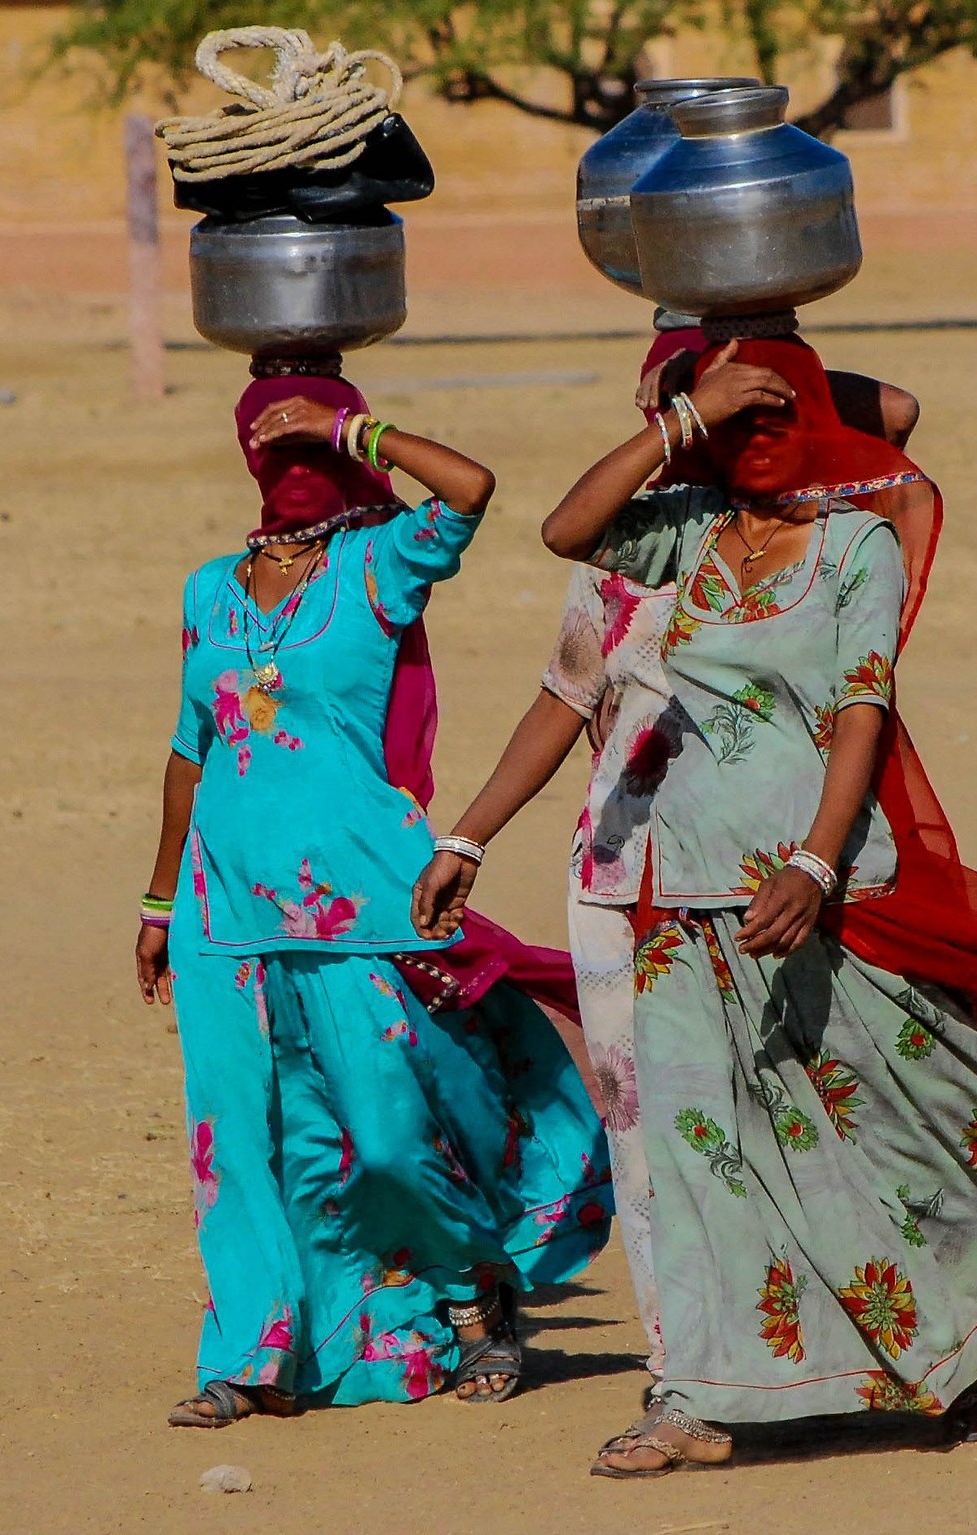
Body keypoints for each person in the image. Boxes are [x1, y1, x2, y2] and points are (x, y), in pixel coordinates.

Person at [420, 337, 977, 1475]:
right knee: (695, 1153)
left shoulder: (854, 545)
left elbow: (861, 711)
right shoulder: (674, 533)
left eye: (761, 412)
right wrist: (469, 832)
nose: (743, 433)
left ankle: (973, 1344)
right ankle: (697, 1394)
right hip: (671, 901)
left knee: (890, 1125)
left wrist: (816, 865)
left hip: (817, 897)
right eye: (715, 413)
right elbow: (564, 534)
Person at [413, 331, 921, 1389]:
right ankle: (682, 1361)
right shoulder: (636, 547)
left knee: (802, 1110)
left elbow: (901, 410)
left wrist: (772, 363)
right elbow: (562, 697)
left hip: (760, 876)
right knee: (648, 1134)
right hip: (618, 878)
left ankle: (850, 1351)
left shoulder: (818, 539)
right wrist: (469, 833)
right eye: (683, 398)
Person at [135, 370, 611, 1427]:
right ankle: (254, 1350)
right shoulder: (207, 588)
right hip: (224, 906)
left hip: (359, 897)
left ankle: (475, 1288)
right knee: (243, 1136)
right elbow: (187, 749)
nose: (291, 450)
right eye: (274, 432)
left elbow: (472, 489)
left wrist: (359, 426)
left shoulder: (376, 566)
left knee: (392, 1126)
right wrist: (160, 899)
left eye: (309, 433)